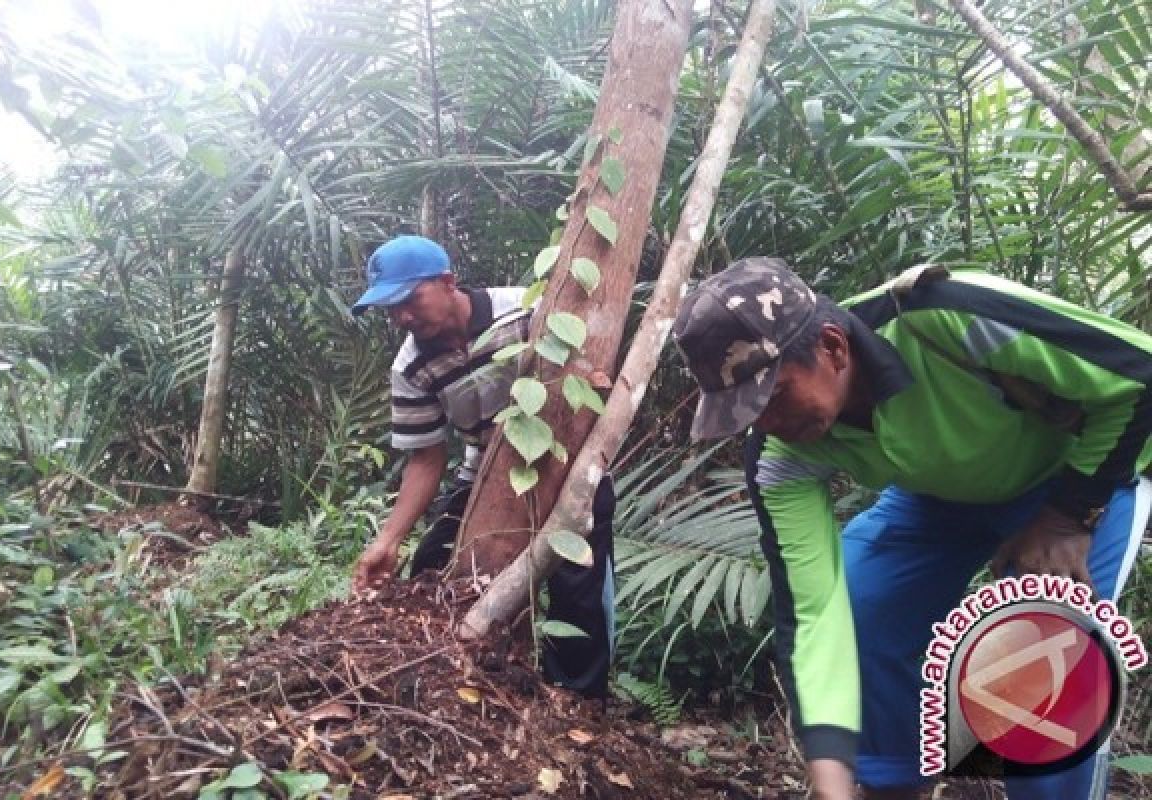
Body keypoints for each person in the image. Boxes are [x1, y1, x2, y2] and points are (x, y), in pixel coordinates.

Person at [671, 257, 1152, 800]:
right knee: (858, 605)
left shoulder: (951, 318)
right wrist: (832, 783)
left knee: (1047, 654)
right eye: (745, 414)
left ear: (833, 347)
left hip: (1075, 481)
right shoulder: (779, 452)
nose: (768, 424)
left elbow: (1140, 373)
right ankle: (887, 784)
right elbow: (813, 615)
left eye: (774, 397)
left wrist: (1069, 514)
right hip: (942, 496)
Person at [349, 234, 615, 698]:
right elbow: (427, 456)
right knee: (434, 570)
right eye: (390, 310)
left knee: (579, 591)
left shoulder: (527, 311)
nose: (401, 318)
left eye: (408, 301)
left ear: (448, 282)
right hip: (483, 475)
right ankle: (465, 690)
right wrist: (388, 540)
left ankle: (577, 706)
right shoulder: (411, 368)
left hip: (569, 468)